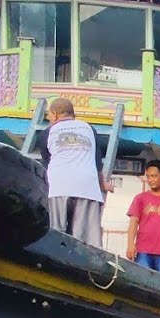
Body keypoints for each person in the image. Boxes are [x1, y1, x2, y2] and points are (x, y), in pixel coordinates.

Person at [39, 98, 109, 247]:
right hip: (87, 190)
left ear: (55, 114)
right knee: (85, 244)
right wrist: (102, 186)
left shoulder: (47, 133)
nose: (49, 119)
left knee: (54, 238)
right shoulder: (89, 129)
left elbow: (47, 164)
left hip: (58, 188)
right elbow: (97, 164)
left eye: (49, 116)